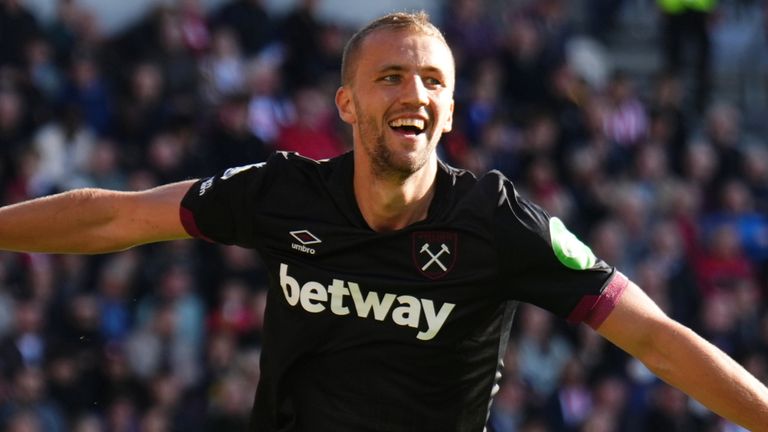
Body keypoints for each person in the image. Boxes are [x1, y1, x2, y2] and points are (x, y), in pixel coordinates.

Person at [0, 11, 766, 432]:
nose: (415, 91)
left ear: (451, 111)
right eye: (391, 76)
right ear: (347, 104)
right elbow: (114, 220)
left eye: (433, 79)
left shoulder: (498, 221)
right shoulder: (281, 193)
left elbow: (653, 336)